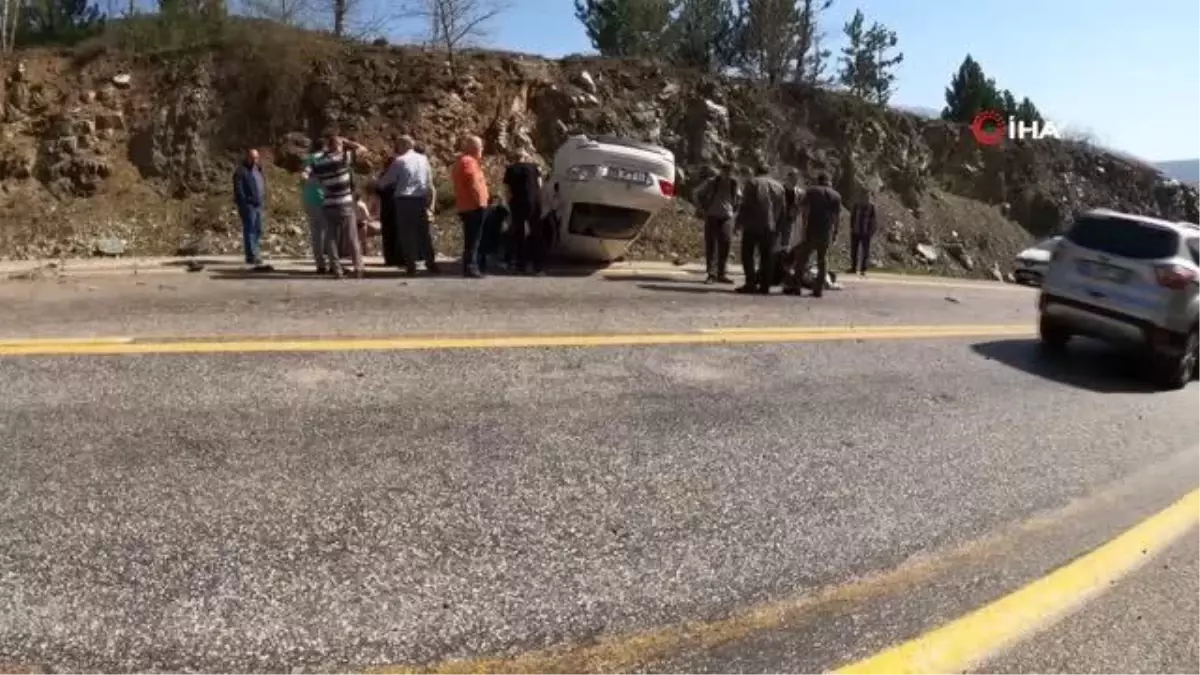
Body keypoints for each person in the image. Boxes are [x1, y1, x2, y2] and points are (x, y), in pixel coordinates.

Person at [305, 131, 367, 279]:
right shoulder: (343, 159)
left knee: (331, 238)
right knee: (352, 237)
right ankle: (358, 267)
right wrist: (347, 142)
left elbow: (306, 173)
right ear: (338, 146)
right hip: (345, 202)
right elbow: (362, 149)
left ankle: (337, 269)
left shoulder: (320, 163)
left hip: (328, 203)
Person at [377, 135, 439, 276]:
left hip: (404, 199)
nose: (396, 148)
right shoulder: (423, 159)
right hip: (421, 199)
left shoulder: (400, 161)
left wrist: (377, 183)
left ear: (404, 145)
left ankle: (411, 265)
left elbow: (387, 180)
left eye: (398, 145)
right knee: (423, 233)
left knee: (407, 234)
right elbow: (429, 181)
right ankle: (431, 262)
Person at [787, 172, 842, 298]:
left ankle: (796, 286)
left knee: (802, 259)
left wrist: (802, 226)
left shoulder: (811, 192)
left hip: (811, 230)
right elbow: (836, 218)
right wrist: (835, 233)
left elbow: (803, 209)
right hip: (825, 233)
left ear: (818, 180)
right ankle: (818, 290)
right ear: (829, 182)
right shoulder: (836, 195)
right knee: (822, 261)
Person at [735, 164, 786, 295]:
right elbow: (783, 210)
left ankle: (750, 283)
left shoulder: (752, 183)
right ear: (768, 172)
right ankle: (765, 286)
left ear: (756, 172)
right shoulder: (779, 186)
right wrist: (778, 228)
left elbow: (745, 205)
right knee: (767, 257)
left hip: (752, 225)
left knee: (748, 254)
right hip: (770, 227)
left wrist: (738, 223)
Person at [694, 163, 740, 284]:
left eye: (730, 172)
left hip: (726, 217)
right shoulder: (712, 182)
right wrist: (701, 208)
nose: (728, 174)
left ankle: (722, 273)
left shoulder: (734, 184)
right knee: (712, 245)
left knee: (726, 245)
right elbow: (697, 193)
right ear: (721, 171)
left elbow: (738, 198)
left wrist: (734, 209)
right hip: (712, 216)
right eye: (725, 171)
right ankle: (711, 274)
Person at [451, 134, 489, 278]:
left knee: (471, 238)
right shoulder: (469, 162)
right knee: (474, 239)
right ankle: (471, 267)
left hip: (467, 205)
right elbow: (473, 184)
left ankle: (470, 265)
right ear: (474, 148)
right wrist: (480, 202)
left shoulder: (464, 161)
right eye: (480, 147)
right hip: (473, 206)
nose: (482, 150)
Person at [502, 150, 543, 274]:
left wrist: (507, 205)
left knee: (519, 234)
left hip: (517, 203)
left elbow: (506, 190)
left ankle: (521, 266)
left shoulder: (510, 170)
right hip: (533, 203)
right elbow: (540, 186)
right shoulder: (535, 168)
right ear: (525, 157)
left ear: (514, 158)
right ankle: (537, 266)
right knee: (536, 233)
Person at [299, 142, 331, 273]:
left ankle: (320, 264)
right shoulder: (323, 159)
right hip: (322, 198)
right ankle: (331, 263)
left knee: (316, 233)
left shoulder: (307, 160)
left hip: (309, 199)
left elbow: (303, 178)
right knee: (329, 233)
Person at [233, 147, 266, 266]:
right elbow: (238, 189)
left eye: (256, 157)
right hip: (249, 205)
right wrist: (245, 201)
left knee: (258, 229)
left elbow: (262, 184)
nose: (255, 160)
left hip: (259, 204)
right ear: (247, 157)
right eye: (253, 157)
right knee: (250, 229)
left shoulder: (258, 170)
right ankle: (252, 255)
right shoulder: (241, 171)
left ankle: (255, 252)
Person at [849, 190, 879, 276]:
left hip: (866, 232)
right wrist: (851, 227)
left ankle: (863, 269)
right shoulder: (856, 205)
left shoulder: (871, 207)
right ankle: (853, 268)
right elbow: (852, 217)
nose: (866, 198)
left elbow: (873, 221)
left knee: (865, 251)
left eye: (868, 197)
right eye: (864, 197)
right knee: (854, 250)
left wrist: (871, 231)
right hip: (856, 230)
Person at [480, 195, 510, 273]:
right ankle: (495, 261)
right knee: (497, 245)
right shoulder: (494, 211)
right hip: (495, 232)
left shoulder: (490, 211)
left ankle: (491, 261)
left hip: (494, 232)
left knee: (495, 245)